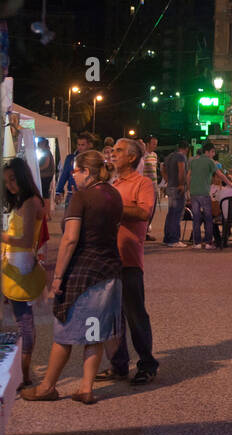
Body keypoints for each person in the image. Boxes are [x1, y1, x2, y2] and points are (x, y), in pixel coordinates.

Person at [22, 149, 122, 404]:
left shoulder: (82, 197)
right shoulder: (114, 194)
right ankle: (86, 387)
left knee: (64, 331)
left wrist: (57, 277)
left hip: (83, 271)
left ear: (86, 172)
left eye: (75, 171)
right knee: (93, 333)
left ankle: (47, 387)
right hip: (109, 271)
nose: (73, 176)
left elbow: (70, 239)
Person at [97, 139, 160, 386]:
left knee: (135, 315)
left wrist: (112, 207)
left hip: (129, 259)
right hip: (107, 257)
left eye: (120, 151)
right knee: (112, 316)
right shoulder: (112, 182)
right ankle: (119, 365)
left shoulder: (142, 183)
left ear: (133, 158)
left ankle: (147, 364)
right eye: (113, 150)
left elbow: (144, 212)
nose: (113, 153)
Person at [1, 158, 46, 390]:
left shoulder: (30, 203)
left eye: (13, 179)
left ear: (23, 177)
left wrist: (0, 236)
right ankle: (23, 371)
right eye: (6, 181)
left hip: (22, 268)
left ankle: (25, 373)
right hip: (14, 266)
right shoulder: (23, 201)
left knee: (24, 322)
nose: (9, 185)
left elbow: (27, 240)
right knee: (21, 320)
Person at [188, 142, 232, 250]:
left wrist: (189, 189)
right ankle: (208, 243)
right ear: (207, 152)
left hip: (194, 193)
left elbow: (188, 176)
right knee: (208, 218)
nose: (213, 154)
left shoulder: (193, 161)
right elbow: (220, 174)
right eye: (212, 152)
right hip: (204, 193)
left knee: (196, 218)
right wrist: (230, 183)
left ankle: (197, 243)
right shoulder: (210, 162)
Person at [54, 131, 94, 216]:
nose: (80, 147)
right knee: (68, 220)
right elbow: (64, 175)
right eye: (78, 144)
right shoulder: (70, 158)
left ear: (89, 145)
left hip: (88, 195)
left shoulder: (93, 159)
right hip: (72, 194)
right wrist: (58, 191)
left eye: (83, 145)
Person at [162, 141, 189, 247]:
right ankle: (174, 240)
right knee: (177, 214)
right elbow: (181, 170)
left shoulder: (169, 156)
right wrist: (181, 184)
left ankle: (167, 238)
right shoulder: (181, 157)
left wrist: (168, 180)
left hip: (170, 187)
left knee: (171, 213)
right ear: (186, 149)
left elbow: (163, 169)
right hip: (178, 188)